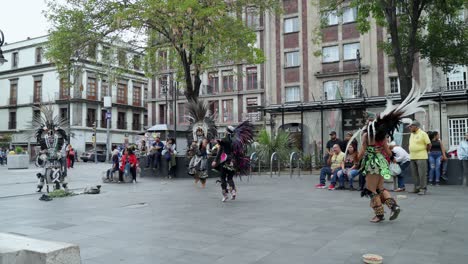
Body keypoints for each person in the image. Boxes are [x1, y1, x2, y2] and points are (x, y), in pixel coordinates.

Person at [212, 126, 237, 201]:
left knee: (222, 177)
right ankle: (233, 191)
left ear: (226, 131)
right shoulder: (235, 140)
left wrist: (215, 160)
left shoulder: (224, 139)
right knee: (230, 177)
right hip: (232, 161)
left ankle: (225, 194)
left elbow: (220, 151)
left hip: (224, 159)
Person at [408, 120, 431, 195]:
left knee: (422, 174)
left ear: (416, 126)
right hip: (412, 156)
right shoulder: (412, 134)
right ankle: (417, 188)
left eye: (411, 127)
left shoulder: (423, 133)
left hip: (421, 156)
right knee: (414, 174)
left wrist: (426, 151)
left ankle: (422, 188)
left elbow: (429, 144)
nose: (410, 128)